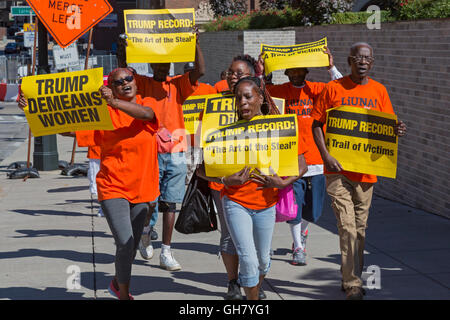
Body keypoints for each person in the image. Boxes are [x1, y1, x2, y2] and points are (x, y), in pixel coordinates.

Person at [18, 68, 160, 300]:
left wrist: (114, 102)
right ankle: (124, 295)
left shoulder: (146, 105)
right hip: (112, 187)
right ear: (110, 88)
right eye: (118, 82)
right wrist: (31, 109)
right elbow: (66, 128)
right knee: (124, 242)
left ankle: (116, 282)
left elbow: (145, 115)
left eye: (128, 79)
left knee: (131, 247)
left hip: (142, 188)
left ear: (135, 82)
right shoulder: (102, 114)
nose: (125, 83)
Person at [197, 76, 308, 300]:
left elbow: (302, 165)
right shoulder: (224, 131)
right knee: (247, 259)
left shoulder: (278, 126)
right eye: (238, 98)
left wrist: (283, 182)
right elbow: (200, 169)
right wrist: (226, 180)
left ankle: (253, 291)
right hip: (235, 202)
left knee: (263, 262)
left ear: (260, 97)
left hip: (266, 204)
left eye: (248, 96)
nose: (243, 102)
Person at [311, 42, 407, 300]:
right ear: (350, 60)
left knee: (360, 230)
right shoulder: (333, 88)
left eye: (367, 58)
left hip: (366, 174)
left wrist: (396, 130)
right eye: (358, 58)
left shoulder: (379, 91)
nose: (363, 62)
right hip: (338, 171)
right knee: (347, 227)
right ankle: (353, 284)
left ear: (372, 63)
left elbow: (387, 127)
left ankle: (349, 276)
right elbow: (316, 124)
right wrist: (326, 156)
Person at [117, 28, 206, 271]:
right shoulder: (142, 83)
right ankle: (146, 230)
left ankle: (166, 251)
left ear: (169, 65)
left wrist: (196, 43)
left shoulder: (177, 85)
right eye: (157, 64)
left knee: (170, 203)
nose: (161, 68)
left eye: (165, 64)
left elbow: (200, 71)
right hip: (150, 151)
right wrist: (123, 46)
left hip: (176, 150)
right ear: (152, 64)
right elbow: (123, 72)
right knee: (149, 202)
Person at [259, 47, 343, 266]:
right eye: (292, 72)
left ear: (306, 72)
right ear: (286, 74)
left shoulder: (317, 89)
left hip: (316, 159)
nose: (296, 75)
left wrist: (331, 67)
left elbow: (343, 90)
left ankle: (303, 231)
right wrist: (261, 71)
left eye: (300, 71)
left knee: (313, 211)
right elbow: (260, 94)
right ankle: (298, 246)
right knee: (293, 207)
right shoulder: (281, 90)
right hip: (290, 158)